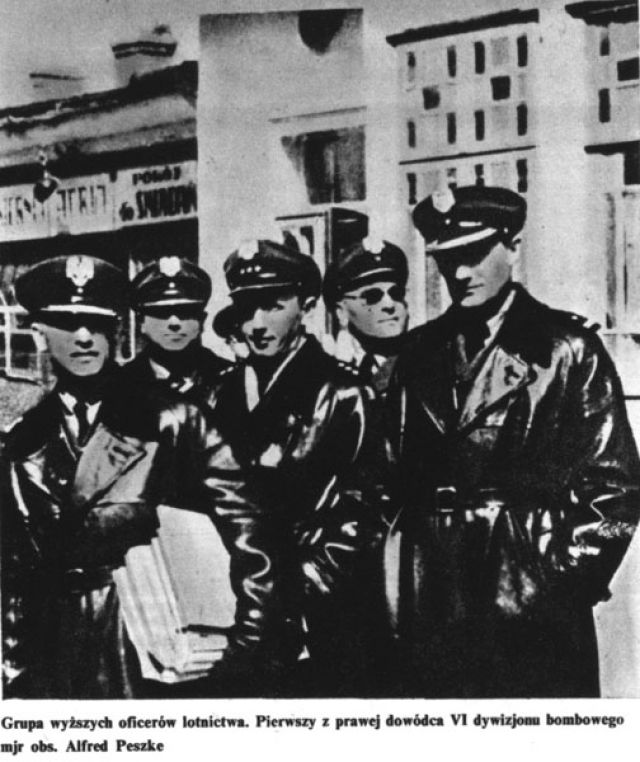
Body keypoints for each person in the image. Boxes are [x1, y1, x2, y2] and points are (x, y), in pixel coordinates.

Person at [383, 185, 640, 698]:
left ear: (514, 247)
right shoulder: (417, 354)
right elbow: (388, 479)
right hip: (432, 602)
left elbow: (616, 493)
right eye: (448, 259)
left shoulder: (566, 350)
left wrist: (556, 582)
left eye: (476, 254)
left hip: (529, 610)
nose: (461, 273)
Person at [1, 255, 283, 699]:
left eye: (97, 324)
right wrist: (12, 675)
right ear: (39, 333)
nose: (83, 337)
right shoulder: (23, 440)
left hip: (151, 646)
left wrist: (245, 646)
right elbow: (14, 571)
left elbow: (250, 534)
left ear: (116, 330)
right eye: (67, 323)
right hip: (53, 656)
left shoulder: (173, 418)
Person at [205, 236, 383, 696]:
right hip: (232, 605)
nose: (257, 324)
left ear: (305, 306)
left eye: (273, 306)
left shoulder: (343, 394)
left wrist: (301, 581)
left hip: (317, 616)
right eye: (246, 309)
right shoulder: (218, 395)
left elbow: (366, 509)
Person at [121, 256, 230, 402]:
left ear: (201, 320)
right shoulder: (122, 385)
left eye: (184, 311)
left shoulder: (229, 378)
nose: (174, 323)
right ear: (141, 323)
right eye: (162, 312)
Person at [322, 237, 409, 394]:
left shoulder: (426, 364)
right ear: (341, 312)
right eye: (372, 296)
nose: (389, 305)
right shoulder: (330, 374)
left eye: (396, 293)